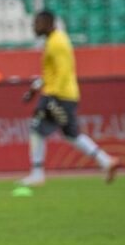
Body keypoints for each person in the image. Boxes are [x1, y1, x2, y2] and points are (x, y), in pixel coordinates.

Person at [18, 10, 118, 187]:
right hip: (63, 95)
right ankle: (106, 161)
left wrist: (51, 97)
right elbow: (53, 73)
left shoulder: (57, 43)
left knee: (37, 127)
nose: (34, 26)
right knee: (70, 133)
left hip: (59, 96)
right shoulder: (54, 41)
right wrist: (35, 88)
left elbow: (63, 73)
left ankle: (37, 173)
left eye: (37, 23)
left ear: (48, 23)